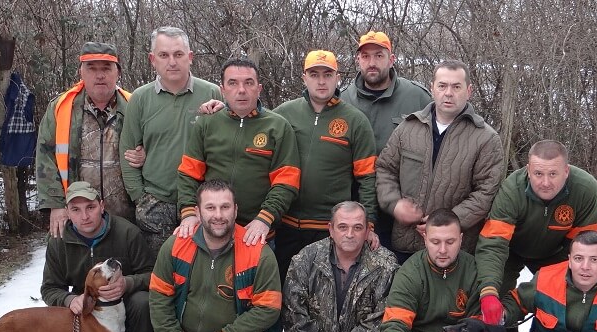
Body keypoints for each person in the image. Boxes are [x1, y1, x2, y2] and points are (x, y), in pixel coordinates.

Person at [140, 180, 282, 332]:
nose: (218, 215)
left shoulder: (257, 250)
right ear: (197, 211)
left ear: (235, 210)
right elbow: (159, 298)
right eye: (210, 207)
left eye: (225, 207)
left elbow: (268, 309)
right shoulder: (177, 244)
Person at [376, 60, 504, 262]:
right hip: (404, 245)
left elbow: (486, 192)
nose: (448, 93)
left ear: (469, 91)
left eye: (456, 87)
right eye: (442, 86)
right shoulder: (408, 128)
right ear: (432, 88)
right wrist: (394, 203)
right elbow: (385, 169)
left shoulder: (486, 139)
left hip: (453, 252)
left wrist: (444, 225)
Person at [272, 50, 379, 280]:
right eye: (314, 74)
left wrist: (368, 223)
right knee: (282, 291)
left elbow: (367, 178)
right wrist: (220, 109)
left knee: (321, 295)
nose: (321, 81)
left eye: (327, 74)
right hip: (285, 225)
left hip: (328, 229)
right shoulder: (284, 114)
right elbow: (253, 126)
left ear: (337, 77)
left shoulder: (355, 120)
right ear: (304, 77)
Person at [175, 58, 300, 248]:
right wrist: (189, 213)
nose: (241, 90)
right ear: (222, 89)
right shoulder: (207, 123)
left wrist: (265, 219)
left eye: (248, 83)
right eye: (233, 83)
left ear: (259, 88)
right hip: (210, 230)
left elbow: (286, 182)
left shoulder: (277, 127)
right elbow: (188, 173)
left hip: (256, 233)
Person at [40, 181, 155, 332]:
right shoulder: (58, 241)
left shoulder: (127, 232)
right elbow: (49, 288)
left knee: (143, 302)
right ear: (67, 212)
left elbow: (152, 275)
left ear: (102, 206)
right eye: (76, 210)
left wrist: (127, 283)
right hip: (87, 312)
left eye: (90, 207)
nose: (84, 217)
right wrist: (69, 299)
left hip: (125, 304)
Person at [475, 140, 597, 325]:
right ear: (528, 170)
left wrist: (564, 283)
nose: (545, 182)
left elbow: (583, 248)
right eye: (538, 174)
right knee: (498, 298)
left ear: (566, 171)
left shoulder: (585, 189)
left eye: (553, 174)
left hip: (556, 254)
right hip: (510, 251)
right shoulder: (512, 190)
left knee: (559, 301)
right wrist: (488, 291)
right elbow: (493, 243)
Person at [120, 26, 222, 252]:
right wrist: (141, 199)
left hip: (203, 203)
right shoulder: (140, 99)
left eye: (178, 54)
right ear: (152, 59)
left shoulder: (213, 93)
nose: (172, 62)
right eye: (164, 55)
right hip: (156, 203)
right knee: (161, 275)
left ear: (190, 57)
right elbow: (127, 153)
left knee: (201, 272)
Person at [36, 42, 144, 237]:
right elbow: (45, 157)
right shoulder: (61, 108)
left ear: (118, 72)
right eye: (92, 68)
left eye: (106, 68)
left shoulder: (136, 105)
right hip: (77, 216)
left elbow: (156, 147)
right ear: (81, 72)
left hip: (128, 216)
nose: (99, 75)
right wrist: (56, 204)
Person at [342, 30, 432, 253]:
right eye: (365, 56)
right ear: (357, 60)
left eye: (379, 56)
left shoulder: (417, 97)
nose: (372, 63)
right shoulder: (343, 100)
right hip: (355, 201)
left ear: (391, 59)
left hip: (401, 205)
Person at [283, 201, 398, 332]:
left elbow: (386, 313)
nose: (350, 234)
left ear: (367, 231)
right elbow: (292, 312)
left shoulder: (385, 263)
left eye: (357, 228)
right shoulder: (306, 258)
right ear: (331, 229)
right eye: (343, 227)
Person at [375, 209, 480, 332]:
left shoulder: (473, 271)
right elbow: (394, 324)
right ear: (425, 239)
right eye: (435, 242)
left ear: (461, 239)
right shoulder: (411, 271)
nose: (442, 250)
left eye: (450, 242)